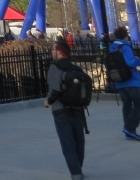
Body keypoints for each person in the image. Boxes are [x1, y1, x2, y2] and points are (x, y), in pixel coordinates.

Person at [44, 39, 87, 180]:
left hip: (60, 109)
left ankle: (76, 173)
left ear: (59, 52)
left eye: (53, 50)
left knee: (67, 142)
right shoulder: (76, 68)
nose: (51, 52)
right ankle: (78, 168)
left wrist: (48, 101)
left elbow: (55, 90)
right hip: (78, 108)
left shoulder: (54, 67)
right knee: (78, 141)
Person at [108, 26, 140, 140]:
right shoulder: (125, 47)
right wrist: (138, 60)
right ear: (126, 36)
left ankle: (129, 131)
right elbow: (130, 62)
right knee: (139, 104)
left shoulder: (111, 47)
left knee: (127, 105)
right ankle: (129, 128)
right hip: (131, 80)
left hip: (119, 80)